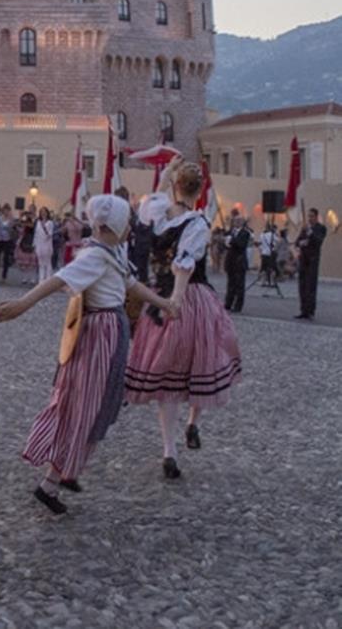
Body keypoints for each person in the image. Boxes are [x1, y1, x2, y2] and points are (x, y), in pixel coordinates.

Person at [0, 197, 175, 514]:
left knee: (100, 403)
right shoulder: (93, 255)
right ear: (112, 225)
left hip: (112, 329)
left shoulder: (113, 251)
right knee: (84, 405)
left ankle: (69, 471)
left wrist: (165, 304)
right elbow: (58, 280)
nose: (131, 227)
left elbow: (131, 285)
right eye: (127, 222)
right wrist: (22, 303)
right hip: (99, 332)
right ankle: (50, 483)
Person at [124, 161, 243, 480]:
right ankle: (192, 423)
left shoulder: (155, 213)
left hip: (157, 297)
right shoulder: (198, 223)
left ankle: (169, 450)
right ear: (200, 190)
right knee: (203, 361)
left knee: (168, 375)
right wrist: (176, 301)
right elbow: (184, 265)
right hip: (189, 299)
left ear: (174, 186)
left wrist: (164, 178)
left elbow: (152, 201)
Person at [295, 208, 327, 320]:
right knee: (302, 285)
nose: (309, 218)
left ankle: (310, 311)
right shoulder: (305, 228)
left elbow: (318, 241)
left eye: (312, 216)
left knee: (311, 286)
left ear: (316, 216)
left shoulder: (321, 228)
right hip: (303, 259)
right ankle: (303, 310)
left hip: (313, 260)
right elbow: (297, 242)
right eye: (308, 216)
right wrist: (301, 242)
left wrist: (310, 233)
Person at [222, 215, 252, 313]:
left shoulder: (245, 233)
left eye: (239, 221)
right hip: (230, 261)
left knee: (239, 285)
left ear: (243, 222)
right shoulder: (231, 232)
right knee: (230, 284)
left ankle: (238, 306)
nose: (237, 222)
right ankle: (228, 303)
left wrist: (231, 240)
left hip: (239, 261)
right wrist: (225, 242)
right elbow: (225, 244)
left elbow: (241, 244)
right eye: (236, 220)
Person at [34, 208, 56, 284]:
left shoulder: (50, 223)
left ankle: (48, 279)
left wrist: (45, 228)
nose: (43, 213)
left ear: (47, 213)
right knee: (40, 263)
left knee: (47, 262)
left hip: (47, 244)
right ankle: (41, 280)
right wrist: (35, 244)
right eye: (41, 212)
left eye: (44, 212)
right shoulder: (38, 222)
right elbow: (36, 234)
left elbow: (50, 234)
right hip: (39, 244)